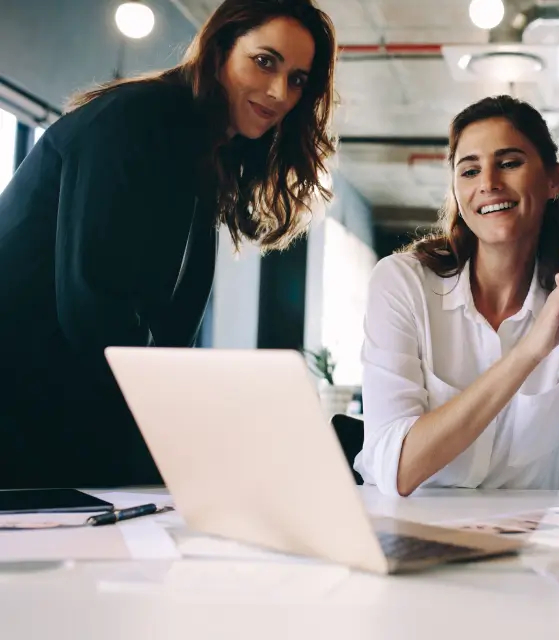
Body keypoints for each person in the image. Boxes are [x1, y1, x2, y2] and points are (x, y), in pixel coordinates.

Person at [0, 0, 338, 489]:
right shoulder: (137, 119)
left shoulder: (201, 155)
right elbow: (94, 305)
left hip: (55, 410)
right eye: (265, 61)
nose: (278, 92)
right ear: (221, 48)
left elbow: (165, 325)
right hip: (23, 408)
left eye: (298, 79)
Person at [355, 96, 559, 497]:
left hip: (523, 544)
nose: (488, 183)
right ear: (457, 192)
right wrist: (529, 352)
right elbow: (398, 469)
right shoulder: (402, 282)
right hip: (407, 531)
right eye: (470, 170)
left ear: (553, 180)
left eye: (510, 162)